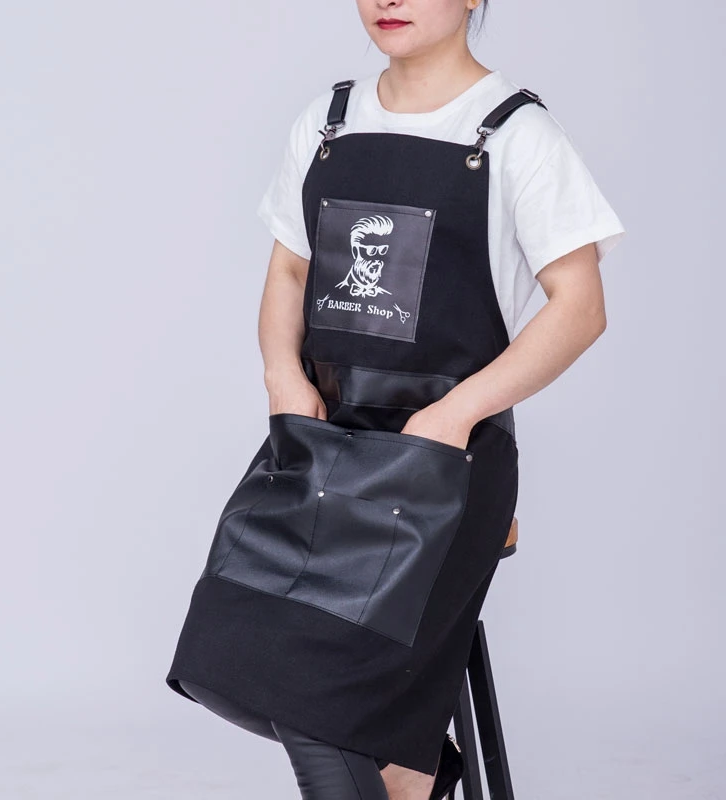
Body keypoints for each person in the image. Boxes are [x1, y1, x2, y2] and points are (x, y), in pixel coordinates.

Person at [165, 1, 626, 798]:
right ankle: (416, 772)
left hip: (443, 463)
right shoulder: (329, 122)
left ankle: (411, 775)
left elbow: (580, 307)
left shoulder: (515, 135)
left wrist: (455, 414)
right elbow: (289, 270)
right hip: (320, 445)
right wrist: (282, 376)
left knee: (321, 704)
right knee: (225, 654)